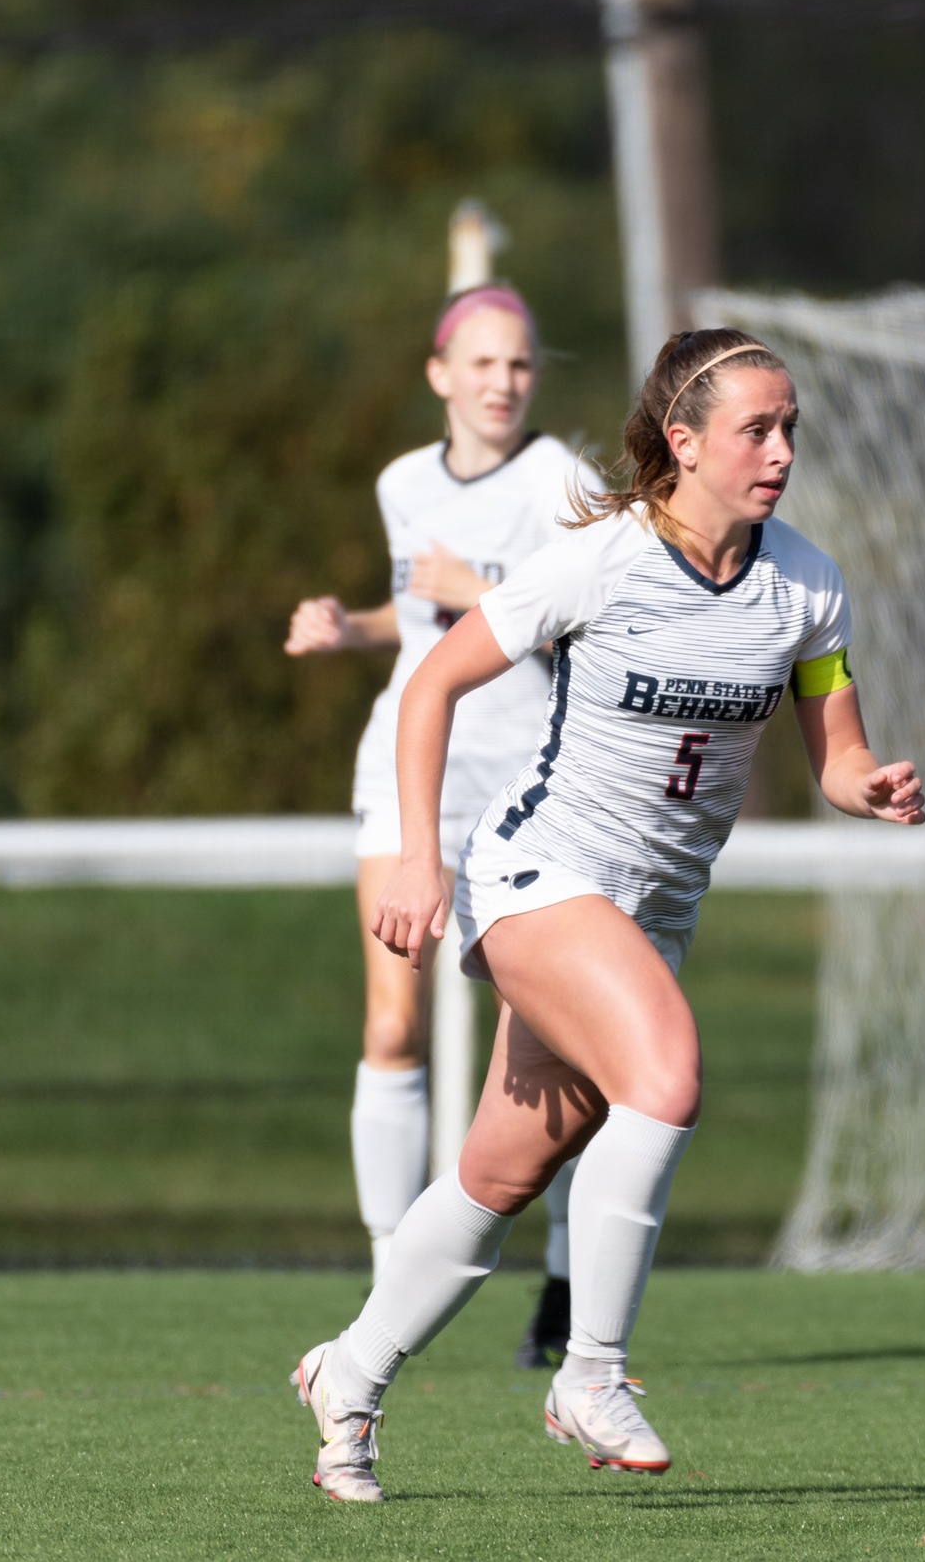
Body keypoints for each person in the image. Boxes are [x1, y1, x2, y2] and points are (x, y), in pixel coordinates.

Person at [291, 328, 925, 1501]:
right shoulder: (600, 561)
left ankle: (352, 1371)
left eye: (791, 428)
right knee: (667, 1074)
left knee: (498, 1174)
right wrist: (419, 861)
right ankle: (590, 1369)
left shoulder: (808, 586)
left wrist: (868, 786)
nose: (782, 449)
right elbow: (431, 683)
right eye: (756, 428)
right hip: (536, 874)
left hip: (648, 915)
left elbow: (836, 751)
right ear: (680, 442)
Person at [284, 283, 586, 1366]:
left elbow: (590, 630)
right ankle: (388, 1278)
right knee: (388, 1025)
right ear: (439, 375)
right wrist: (347, 625)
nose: (503, 382)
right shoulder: (401, 482)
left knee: (560, 1047)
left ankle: (564, 1287)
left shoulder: (564, 485)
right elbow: (420, 621)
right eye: (484, 364)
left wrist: (487, 583)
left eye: (520, 365)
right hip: (410, 773)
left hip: (530, 789)